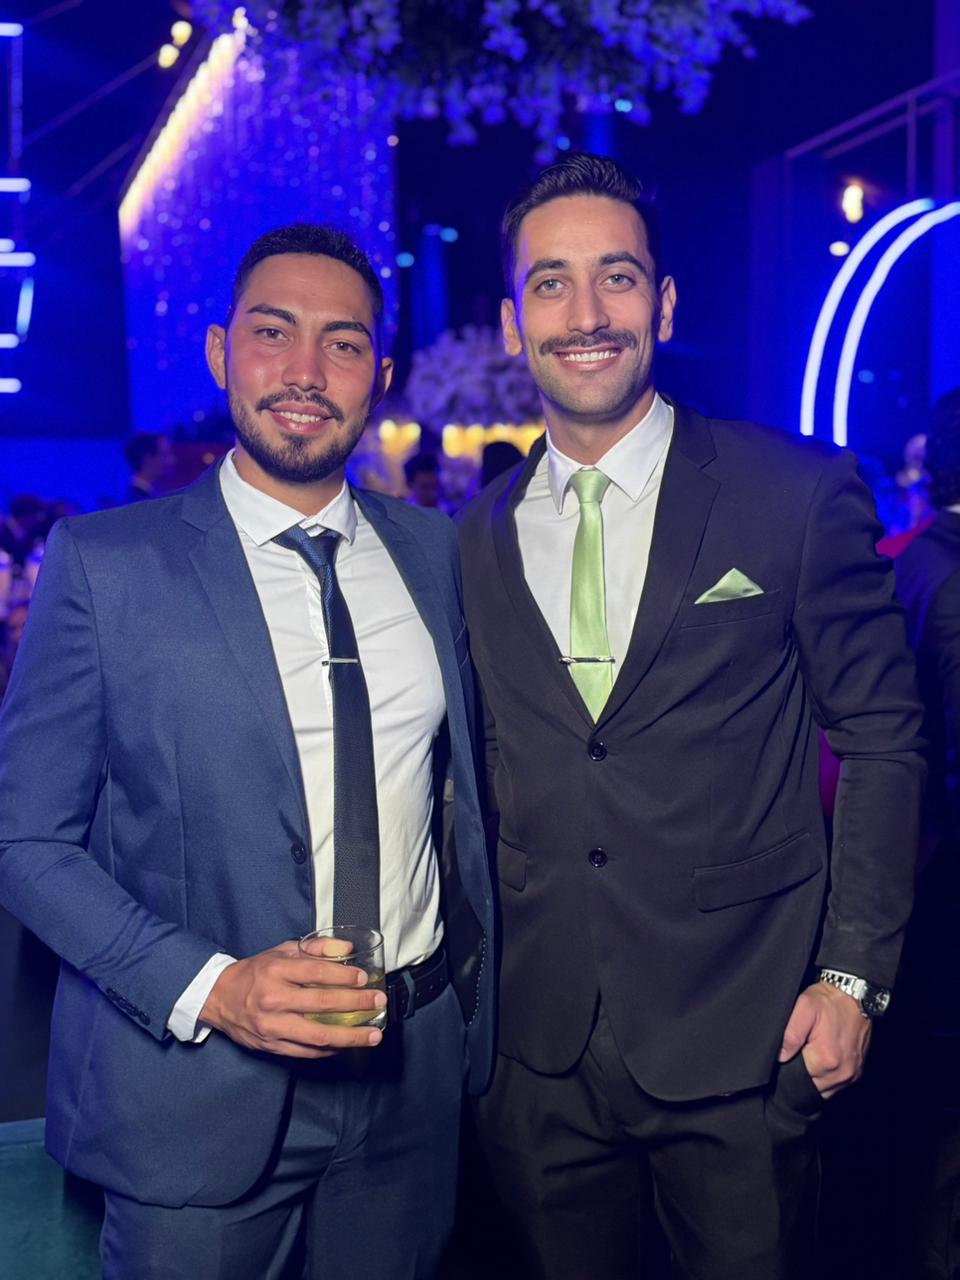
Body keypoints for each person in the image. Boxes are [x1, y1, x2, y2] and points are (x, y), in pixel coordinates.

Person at [456, 152, 924, 1280]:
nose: (585, 314)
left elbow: (884, 737)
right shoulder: (471, 538)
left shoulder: (793, 492)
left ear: (662, 304)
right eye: (551, 283)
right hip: (536, 1056)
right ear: (514, 322)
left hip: (747, 1039)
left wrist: (854, 977)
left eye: (616, 277)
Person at [0, 222, 494, 1279]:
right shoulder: (106, 565)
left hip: (411, 1085)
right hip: (190, 1095)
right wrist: (212, 987)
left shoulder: (438, 554)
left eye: (343, 343)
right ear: (222, 352)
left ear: (381, 377)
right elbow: (24, 840)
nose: (307, 372)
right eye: (274, 333)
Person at [123, 430, 173, 501]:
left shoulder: (145, 496)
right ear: (148, 460)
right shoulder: (136, 501)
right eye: (165, 455)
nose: (171, 460)